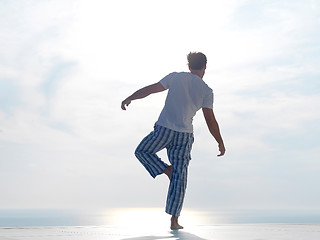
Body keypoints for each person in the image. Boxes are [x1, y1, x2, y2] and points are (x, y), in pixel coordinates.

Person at [121, 52, 225, 230]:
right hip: (184, 136)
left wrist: (131, 97)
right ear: (205, 67)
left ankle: (165, 170)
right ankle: (174, 221)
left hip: (164, 129)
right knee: (181, 177)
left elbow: (150, 89)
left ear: (188, 65)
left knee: (142, 151)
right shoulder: (207, 91)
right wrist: (219, 141)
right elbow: (210, 119)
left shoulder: (176, 77)